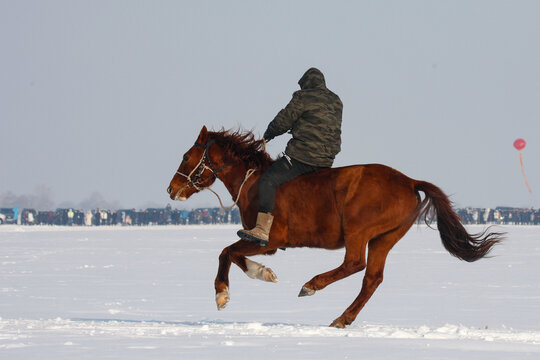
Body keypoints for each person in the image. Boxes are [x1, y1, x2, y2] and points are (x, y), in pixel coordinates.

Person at [237, 67, 343, 246]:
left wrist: (269, 132)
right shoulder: (336, 100)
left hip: (302, 157)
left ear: (306, 83)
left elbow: (285, 119)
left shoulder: (303, 97)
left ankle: (262, 230)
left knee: (268, 181)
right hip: (326, 159)